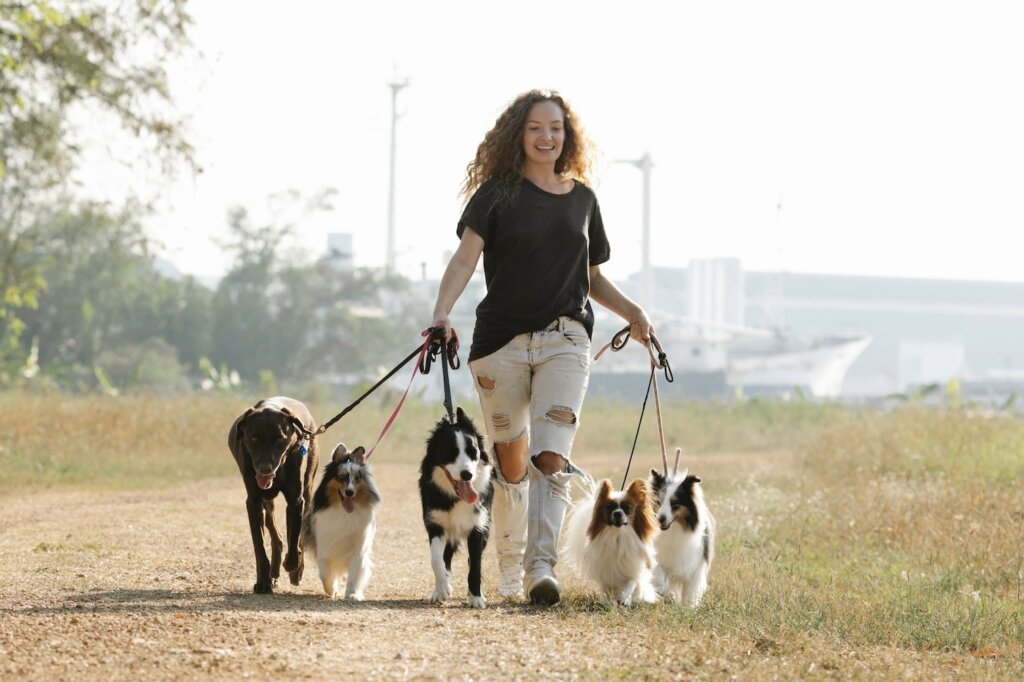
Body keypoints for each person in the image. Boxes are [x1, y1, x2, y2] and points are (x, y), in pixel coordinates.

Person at [430, 89, 653, 606]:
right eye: (535, 128)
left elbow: (592, 277)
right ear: (519, 134)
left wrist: (634, 314)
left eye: (555, 127)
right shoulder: (496, 195)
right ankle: (508, 564)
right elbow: (465, 260)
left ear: (566, 135)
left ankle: (540, 569)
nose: (546, 136)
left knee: (550, 457)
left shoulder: (583, 200)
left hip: (566, 340)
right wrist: (441, 313)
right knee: (510, 466)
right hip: (499, 344)